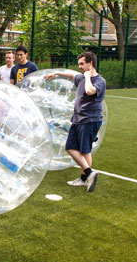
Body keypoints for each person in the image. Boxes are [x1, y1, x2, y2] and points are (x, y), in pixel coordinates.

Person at [44, 51, 106, 192]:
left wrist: (88, 77)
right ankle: (89, 173)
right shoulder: (81, 77)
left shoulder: (99, 81)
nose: (79, 67)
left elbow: (90, 91)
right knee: (70, 147)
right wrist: (56, 74)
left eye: (82, 64)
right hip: (78, 119)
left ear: (90, 64)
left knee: (85, 150)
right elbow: (72, 75)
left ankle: (85, 178)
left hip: (90, 120)